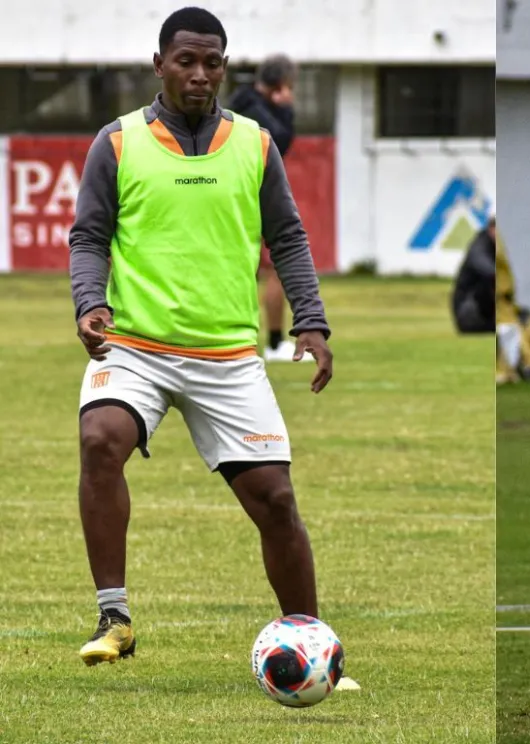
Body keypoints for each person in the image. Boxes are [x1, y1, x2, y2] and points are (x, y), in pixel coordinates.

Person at [68, 6, 333, 667]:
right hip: (135, 347)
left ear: (224, 67)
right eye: (185, 61)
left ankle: (312, 643)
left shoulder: (256, 144)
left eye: (212, 62)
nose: (199, 73)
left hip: (226, 356)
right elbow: (89, 236)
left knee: (275, 499)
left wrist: (312, 319)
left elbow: (290, 236)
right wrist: (89, 305)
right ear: (159, 65)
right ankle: (115, 617)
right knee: (100, 439)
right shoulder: (119, 141)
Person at [226, 53, 301, 362]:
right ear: (280, 84)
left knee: (248, 269)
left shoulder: (242, 103)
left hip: (240, 192)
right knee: (273, 268)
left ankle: (243, 341)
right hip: (248, 194)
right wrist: (286, 110)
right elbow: (280, 142)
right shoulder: (253, 107)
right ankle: (271, 343)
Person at [452, 216, 497, 334]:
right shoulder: (479, 246)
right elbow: (486, 269)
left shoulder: (497, 248)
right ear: (491, 229)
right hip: (469, 313)